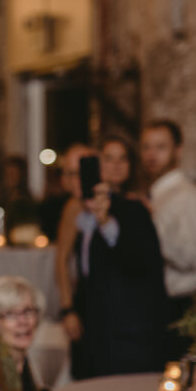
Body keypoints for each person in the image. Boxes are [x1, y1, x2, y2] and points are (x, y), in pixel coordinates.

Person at [60, 144, 169, 378]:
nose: (116, 165)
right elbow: (66, 261)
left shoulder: (134, 207)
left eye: (123, 159)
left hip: (126, 325)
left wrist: (105, 221)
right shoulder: (80, 206)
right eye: (108, 159)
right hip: (94, 318)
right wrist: (69, 308)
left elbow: (140, 263)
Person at [139, 120, 196, 328]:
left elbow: (191, 258)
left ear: (178, 150)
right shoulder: (155, 195)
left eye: (161, 147)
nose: (152, 155)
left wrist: (150, 226)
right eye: (146, 147)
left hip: (178, 305)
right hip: (154, 303)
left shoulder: (189, 196)